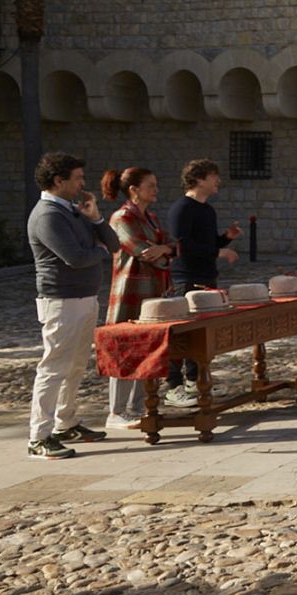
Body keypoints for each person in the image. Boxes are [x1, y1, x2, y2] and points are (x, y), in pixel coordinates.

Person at [26, 152, 120, 460]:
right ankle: (38, 437)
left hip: (84, 298)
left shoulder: (73, 211)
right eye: (78, 178)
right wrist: (100, 250)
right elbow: (76, 258)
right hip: (61, 301)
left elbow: (114, 243)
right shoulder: (48, 216)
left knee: (76, 365)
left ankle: (65, 423)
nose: (83, 183)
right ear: (59, 180)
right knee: (53, 368)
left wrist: (95, 218)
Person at [163, 158, 242, 406]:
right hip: (186, 278)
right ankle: (173, 386)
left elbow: (207, 244)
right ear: (198, 179)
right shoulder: (182, 208)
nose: (217, 181)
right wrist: (218, 252)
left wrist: (225, 239)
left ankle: (196, 380)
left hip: (207, 276)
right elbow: (182, 245)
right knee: (181, 333)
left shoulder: (207, 209)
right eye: (213, 176)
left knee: (202, 334)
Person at [103, 166, 173, 428]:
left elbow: (170, 246)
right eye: (150, 185)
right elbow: (143, 252)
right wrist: (164, 251)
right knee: (123, 349)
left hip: (153, 293)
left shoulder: (151, 217)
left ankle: (137, 406)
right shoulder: (122, 218)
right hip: (130, 292)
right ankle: (117, 411)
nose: (155, 190)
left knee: (146, 349)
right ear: (134, 190)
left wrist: (165, 249)